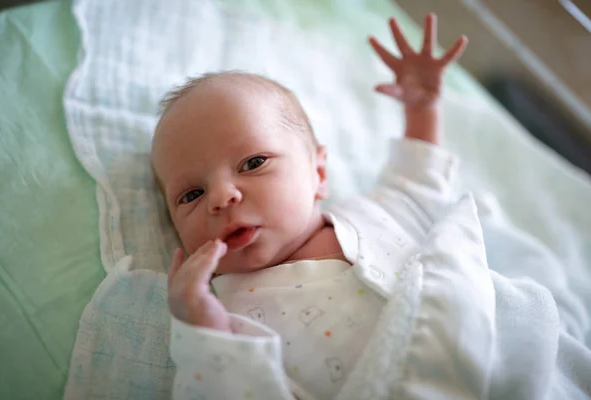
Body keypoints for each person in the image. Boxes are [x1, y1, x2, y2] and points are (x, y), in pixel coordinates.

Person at [151, 13, 591, 400]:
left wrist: (422, 108)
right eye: (191, 195)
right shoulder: (230, 313)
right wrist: (202, 330)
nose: (223, 197)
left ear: (318, 173)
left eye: (253, 163)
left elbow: (417, 175)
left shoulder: (373, 211)